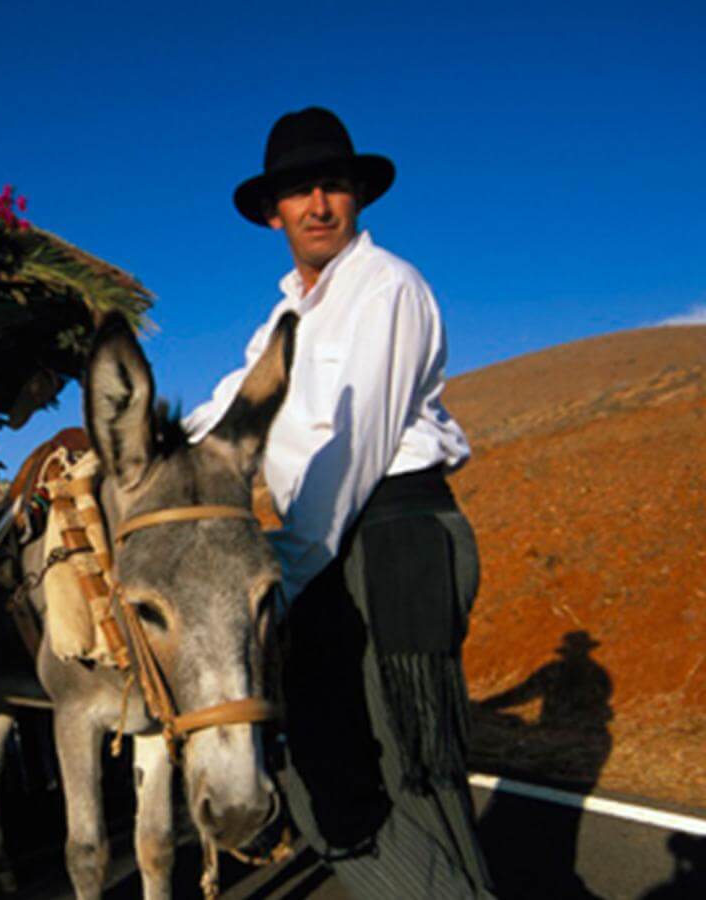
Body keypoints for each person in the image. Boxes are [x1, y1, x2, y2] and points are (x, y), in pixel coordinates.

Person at [185, 107, 495, 898]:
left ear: (357, 198)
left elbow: (349, 456)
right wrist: (127, 451)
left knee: (411, 771)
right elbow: (225, 412)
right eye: (299, 191)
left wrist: (277, 588)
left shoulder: (384, 286)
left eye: (333, 186)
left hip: (390, 536)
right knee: (331, 770)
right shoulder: (286, 318)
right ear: (271, 212)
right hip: (330, 550)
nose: (318, 205)